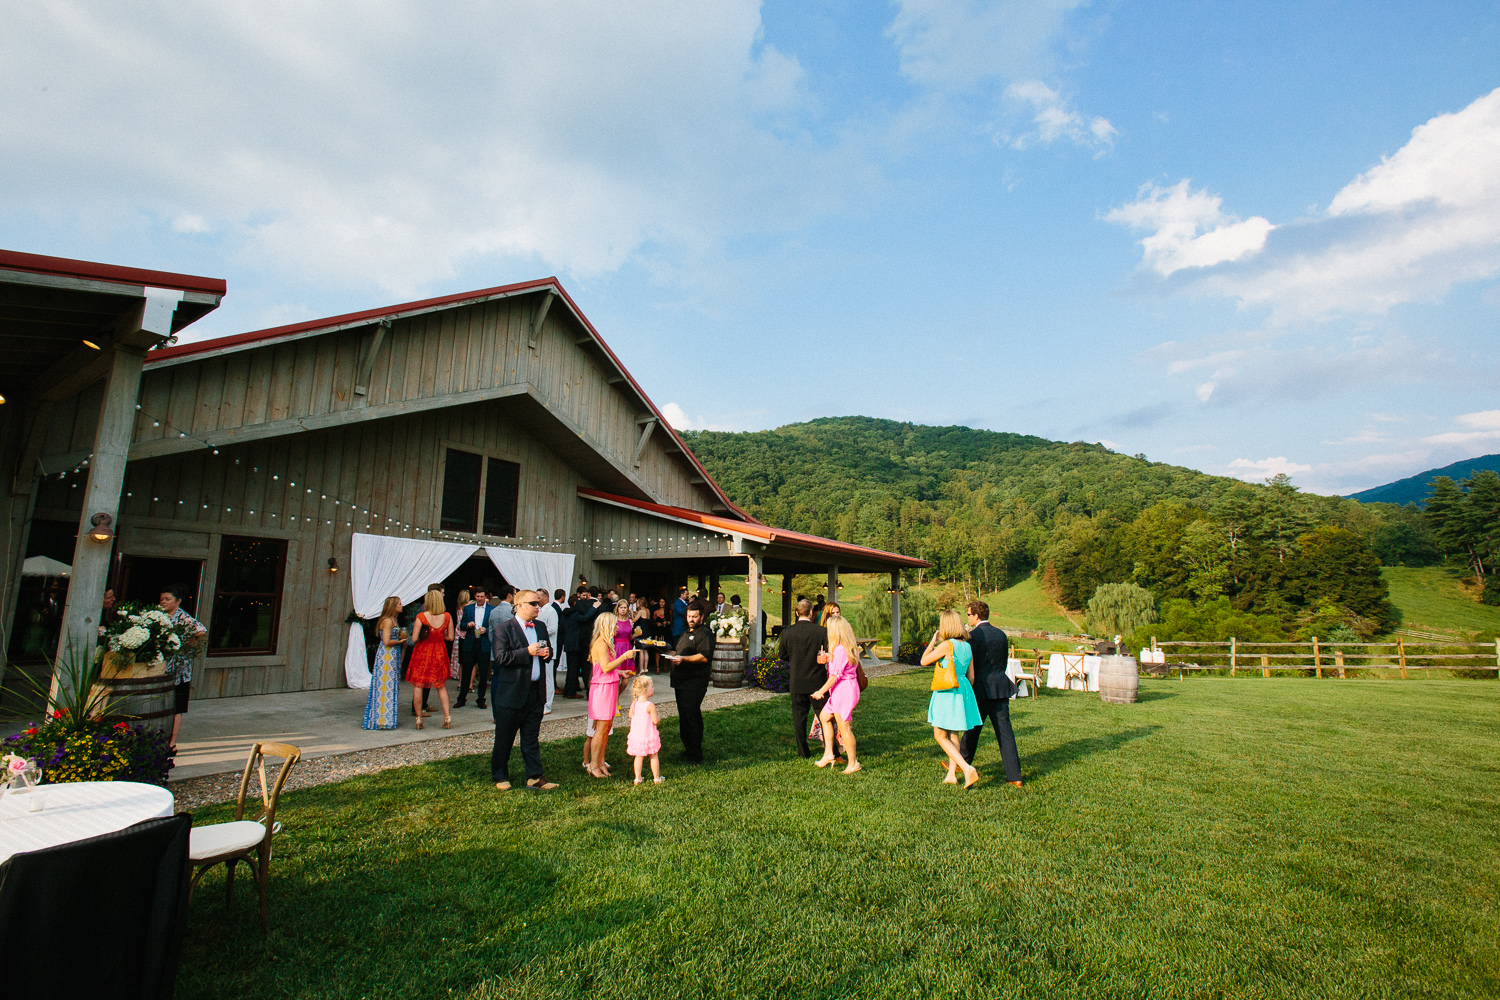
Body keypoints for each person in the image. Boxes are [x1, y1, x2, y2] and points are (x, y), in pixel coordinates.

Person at [490, 590, 557, 791]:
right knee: (504, 737)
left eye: (538, 604)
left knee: (531, 737)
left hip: (535, 692)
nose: (538, 607)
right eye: (533, 604)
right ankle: (500, 775)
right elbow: (501, 658)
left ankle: (534, 777)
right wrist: (526, 652)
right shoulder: (504, 629)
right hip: (511, 693)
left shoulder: (541, 626)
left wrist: (547, 654)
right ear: (519, 606)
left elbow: (549, 650)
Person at [960, 600, 1024, 786]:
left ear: (976, 616)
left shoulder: (973, 636)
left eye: (969, 614)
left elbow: (970, 665)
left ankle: (961, 764)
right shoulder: (1001, 635)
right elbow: (1002, 663)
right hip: (1001, 687)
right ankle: (1015, 776)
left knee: (972, 729)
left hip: (981, 689)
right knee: (1005, 733)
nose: (968, 617)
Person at [922, 610, 982, 789]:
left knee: (939, 735)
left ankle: (966, 768)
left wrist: (933, 642)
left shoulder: (947, 645)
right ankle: (951, 775)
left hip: (947, 690)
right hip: (962, 688)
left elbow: (924, 661)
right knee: (953, 734)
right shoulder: (966, 646)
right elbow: (972, 677)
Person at [586, 612, 638, 778]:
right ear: (607, 625)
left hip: (609, 686)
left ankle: (601, 762)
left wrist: (621, 672)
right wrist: (624, 656)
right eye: (615, 625)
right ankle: (593, 764)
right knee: (600, 729)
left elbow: (607, 669)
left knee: (606, 728)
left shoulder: (607, 643)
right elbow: (606, 667)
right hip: (601, 689)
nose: (617, 627)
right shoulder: (600, 643)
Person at [810, 614, 862, 773]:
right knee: (824, 717)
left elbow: (835, 676)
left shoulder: (841, 650)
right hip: (842, 689)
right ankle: (828, 755)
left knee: (844, 728)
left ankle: (853, 763)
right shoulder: (845, 647)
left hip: (843, 691)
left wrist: (821, 691)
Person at [664, 601, 714, 764]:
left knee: (691, 715)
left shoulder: (705, 633)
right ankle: (689, 749)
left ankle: (696, 755)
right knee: (684, 716)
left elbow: (704, 656)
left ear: (702, 617)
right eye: (689, 616)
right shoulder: (686, 632)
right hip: (681, 681)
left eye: (694, 616)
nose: (691, 619)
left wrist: (684, 658)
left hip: (695, 681)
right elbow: (680, 652)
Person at [159, 585, 206, 751]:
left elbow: (201, 630)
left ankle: (172, 743)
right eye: (162, 599)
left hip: (179, 668)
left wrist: (187, 645)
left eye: (167, 599)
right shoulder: (160, 616)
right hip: (162, 666)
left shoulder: (183, 618)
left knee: (177, 705)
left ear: (177, 601)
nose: (163, 602)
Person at [781, 599, 829, 759]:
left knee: (799, 718)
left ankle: (803, 751)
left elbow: (782, 655)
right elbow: (827, 653)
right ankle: (831, 749)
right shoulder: (821, 632)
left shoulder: (787, 632)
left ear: (796, 613)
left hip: (797, 680)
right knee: (824, 717)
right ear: (811, 613)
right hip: (817, 681)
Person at [407, 589, 454, 730]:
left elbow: (414, 638)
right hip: (439, 651)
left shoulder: (421, 616)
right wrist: (438, 636)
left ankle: (419, 718)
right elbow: (450, 637)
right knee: (441, 685)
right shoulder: (447, 616)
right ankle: (447, 716)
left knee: (418, 685)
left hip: (423, 653)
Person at [363, 596, 405, 729]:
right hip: (387, 656)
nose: (402, 605)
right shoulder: (387, 621)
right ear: (393, 606)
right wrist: (400, 642)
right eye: (399, 604)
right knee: (384, 685)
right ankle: (381, 720)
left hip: (393, 655)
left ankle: (387, 718)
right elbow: (386, 641)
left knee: (391, 685)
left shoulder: (394, 619)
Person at [560, 587, 603, 698]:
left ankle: (568, 690)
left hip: (568, 643)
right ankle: (571, 692)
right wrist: (593, 607)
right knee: (574, 668)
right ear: (575, 603)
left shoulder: (566, 613)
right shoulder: (575, 614)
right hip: (575, 644)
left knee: (571, 668)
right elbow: (585, 618)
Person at [454, 588, 490, 708]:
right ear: (475, 596)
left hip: (483, 642)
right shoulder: (468, 608)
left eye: (482, 596)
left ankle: (481, 699)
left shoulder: (491, 610)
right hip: (470, 642)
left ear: (485, 597)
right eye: (478, 596)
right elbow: (461, 626)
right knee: (466, 672)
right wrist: (467, 625)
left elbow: (495, 628)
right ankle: (461, 698)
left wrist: (487, 630)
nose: (480, 599)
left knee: (483, 673)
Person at [627, 674, 664, 785]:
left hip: (638, 736)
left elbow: (630, 715)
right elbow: (655, 720)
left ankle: (637, 778)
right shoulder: (650, 705)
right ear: (645, 690)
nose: (653, 688)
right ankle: (656, 778)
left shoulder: (635, 703)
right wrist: (659, 718)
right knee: (653, 755)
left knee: (639, 757)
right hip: (649, 735)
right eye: (652, 686)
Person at [536, 584, 561, 715]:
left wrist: (538, 629)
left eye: (538, 597)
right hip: (539, 649)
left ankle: (548, 704)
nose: (537, 600)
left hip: (548, 648)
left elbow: (553, 629)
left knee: (548, 678)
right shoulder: (539, 610)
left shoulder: (550, 611)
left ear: (545, 597)